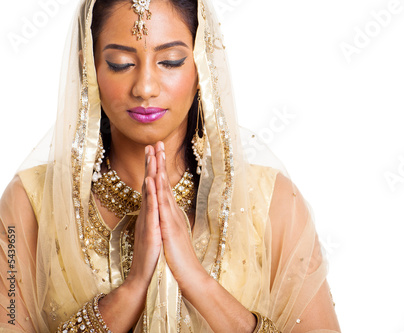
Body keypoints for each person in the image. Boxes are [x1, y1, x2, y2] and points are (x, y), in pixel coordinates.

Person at [0, 0, 341, 332]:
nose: (145, 88)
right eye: (120, 63)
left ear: (201, 66)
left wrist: (196, 280)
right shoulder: (28, 206)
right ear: (88, 67)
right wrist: (132, 290)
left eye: (171, 61)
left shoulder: (269, 203)